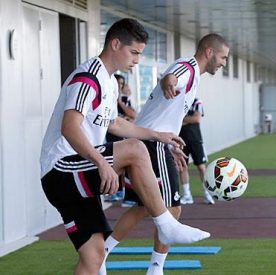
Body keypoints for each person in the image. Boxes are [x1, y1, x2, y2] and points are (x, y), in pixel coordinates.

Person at [40, 18, 210, 275]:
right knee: (135, 149)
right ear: (115, 44)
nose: (137, 60)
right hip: (61, 168)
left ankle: (164, 222)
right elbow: (70, 127)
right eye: (134, 53)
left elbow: (115, 124)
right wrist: (100, 163)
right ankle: (165, 222)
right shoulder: (88, 77)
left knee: (94, 258)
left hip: (74, 175)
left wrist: (157, 135)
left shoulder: (108, 82)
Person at [100, 33, 229, 275]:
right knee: (172, 208)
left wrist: (171, 145)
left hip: (152, 142)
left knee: (144, 207)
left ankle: (103, 253)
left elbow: (167, 111)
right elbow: (172, 77)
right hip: (150, 143)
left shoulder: (193, 75)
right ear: (209, 52)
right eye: (223, 57)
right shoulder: (187, 67)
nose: (224, 63)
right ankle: (155, 268)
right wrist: (168, 81)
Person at [179, 98, 215, 205]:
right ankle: (187, 195)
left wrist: (183, 120)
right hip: (181, 140)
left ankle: (207, 193)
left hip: (195, 140)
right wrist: (186, 120)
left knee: (201, 167)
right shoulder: (178, 101)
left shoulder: (196, 102)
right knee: (182, 166)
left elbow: (197, 118)